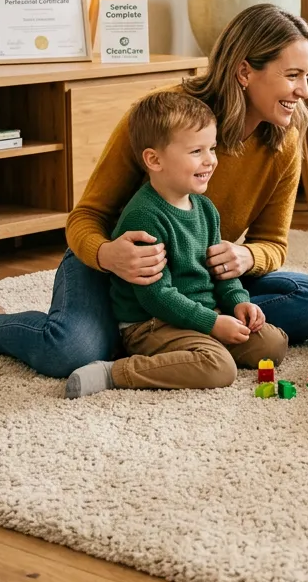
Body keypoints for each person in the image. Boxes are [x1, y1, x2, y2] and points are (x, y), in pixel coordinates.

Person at [0, 5, 308, 377]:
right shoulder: (162, 119)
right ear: (245, 71)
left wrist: (246, 257)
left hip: (196, 275)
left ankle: (164, 332)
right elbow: (86, 217)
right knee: (70, 352)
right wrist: (107, 254)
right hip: (117, 270)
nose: (305, 91)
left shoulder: (285, 137)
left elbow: (273, 244)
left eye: (307, 76)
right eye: (293, 75)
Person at [65, 90, 288, 398]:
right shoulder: (143, 217)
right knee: (219, 368)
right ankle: (116, 371)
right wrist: (212, 324)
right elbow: (156, 297)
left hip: (199, 312)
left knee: (272, 343)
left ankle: (199, 348)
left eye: (212, 148)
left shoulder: (205, 208)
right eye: (196, 151)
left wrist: (239, 302)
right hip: (152, 324)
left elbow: (221, 273)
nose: (210, 160)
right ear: (154, 160)